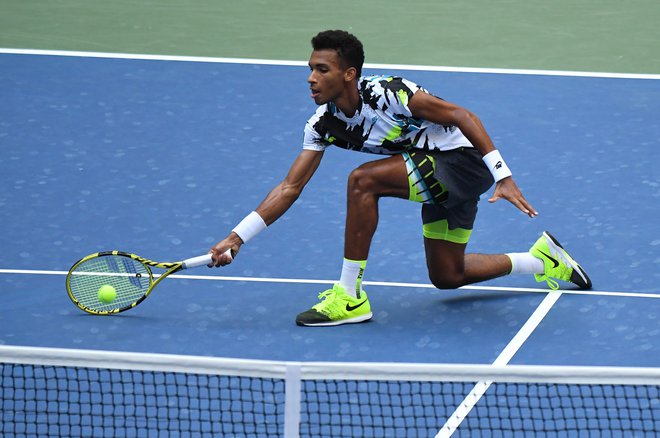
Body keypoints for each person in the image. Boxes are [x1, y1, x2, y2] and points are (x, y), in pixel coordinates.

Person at [208, 30, 592, 327]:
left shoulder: (390, 93)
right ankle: (541, 261)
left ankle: (349, 296)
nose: (311, 77)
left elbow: (463, 116)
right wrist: (237, 237)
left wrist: (503, 176)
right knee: (448, 275)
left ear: (349, 74)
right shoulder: (322, 124)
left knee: (363, 181)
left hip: (463, 162)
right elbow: (290, 187)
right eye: (310, 68)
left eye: (321, 69)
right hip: (435, 175)